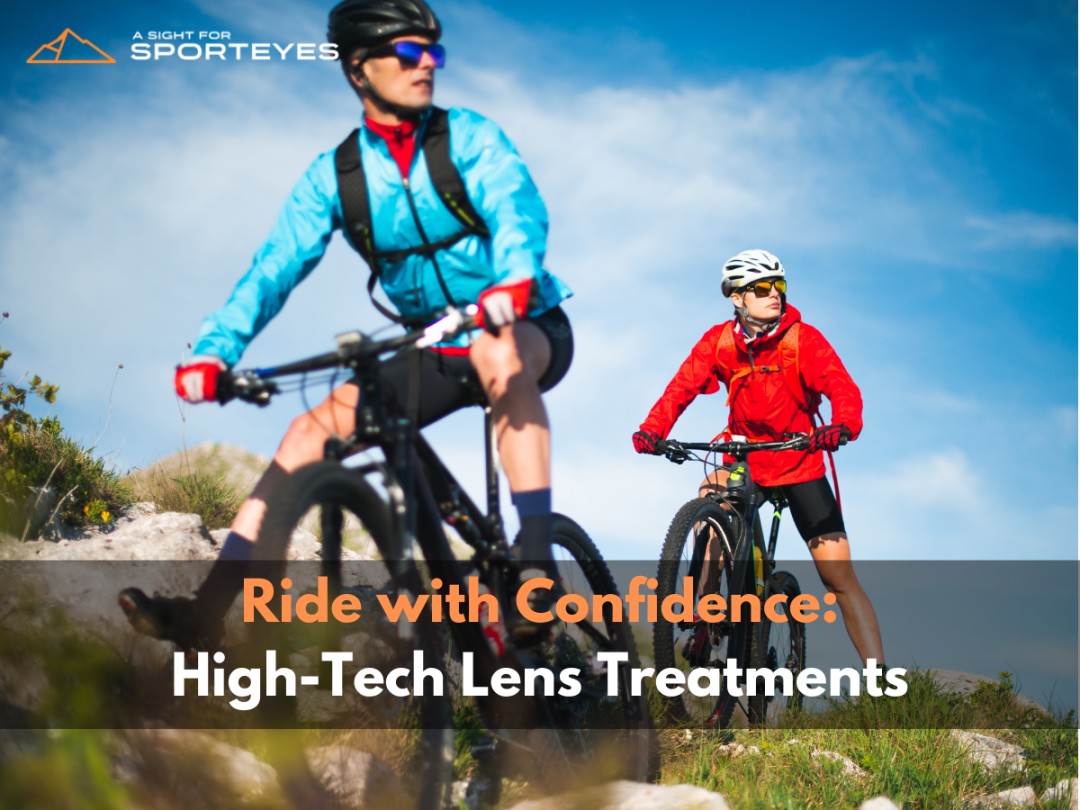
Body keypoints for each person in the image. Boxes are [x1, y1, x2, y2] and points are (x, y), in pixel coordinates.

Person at [120, 0, 572, 649]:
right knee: (308, 431)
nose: (427, 67)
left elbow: (516, 209)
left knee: (499, 357)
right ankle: (206, 611)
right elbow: (273, 267)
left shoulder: (468, 138)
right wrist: (215, 353)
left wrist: (514, 279)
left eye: (434, 52)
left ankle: (534, 563)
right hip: (434, 342)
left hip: (523, 321)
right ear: (359, 69)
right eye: (409, 53)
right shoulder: (337, 177)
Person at [632, 249, 884, 666]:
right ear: (736, 298)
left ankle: (880, 679)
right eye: (762, 288)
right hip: (745, 456)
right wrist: (653, 430)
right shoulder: (720, 342)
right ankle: (706, 618)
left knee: (838, 577)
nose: (774, 295)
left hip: (799, 459)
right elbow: (680, 389)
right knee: (709, 501)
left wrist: (842, 425)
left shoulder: (802, 340)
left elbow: (842, 387)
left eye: (779, 286)